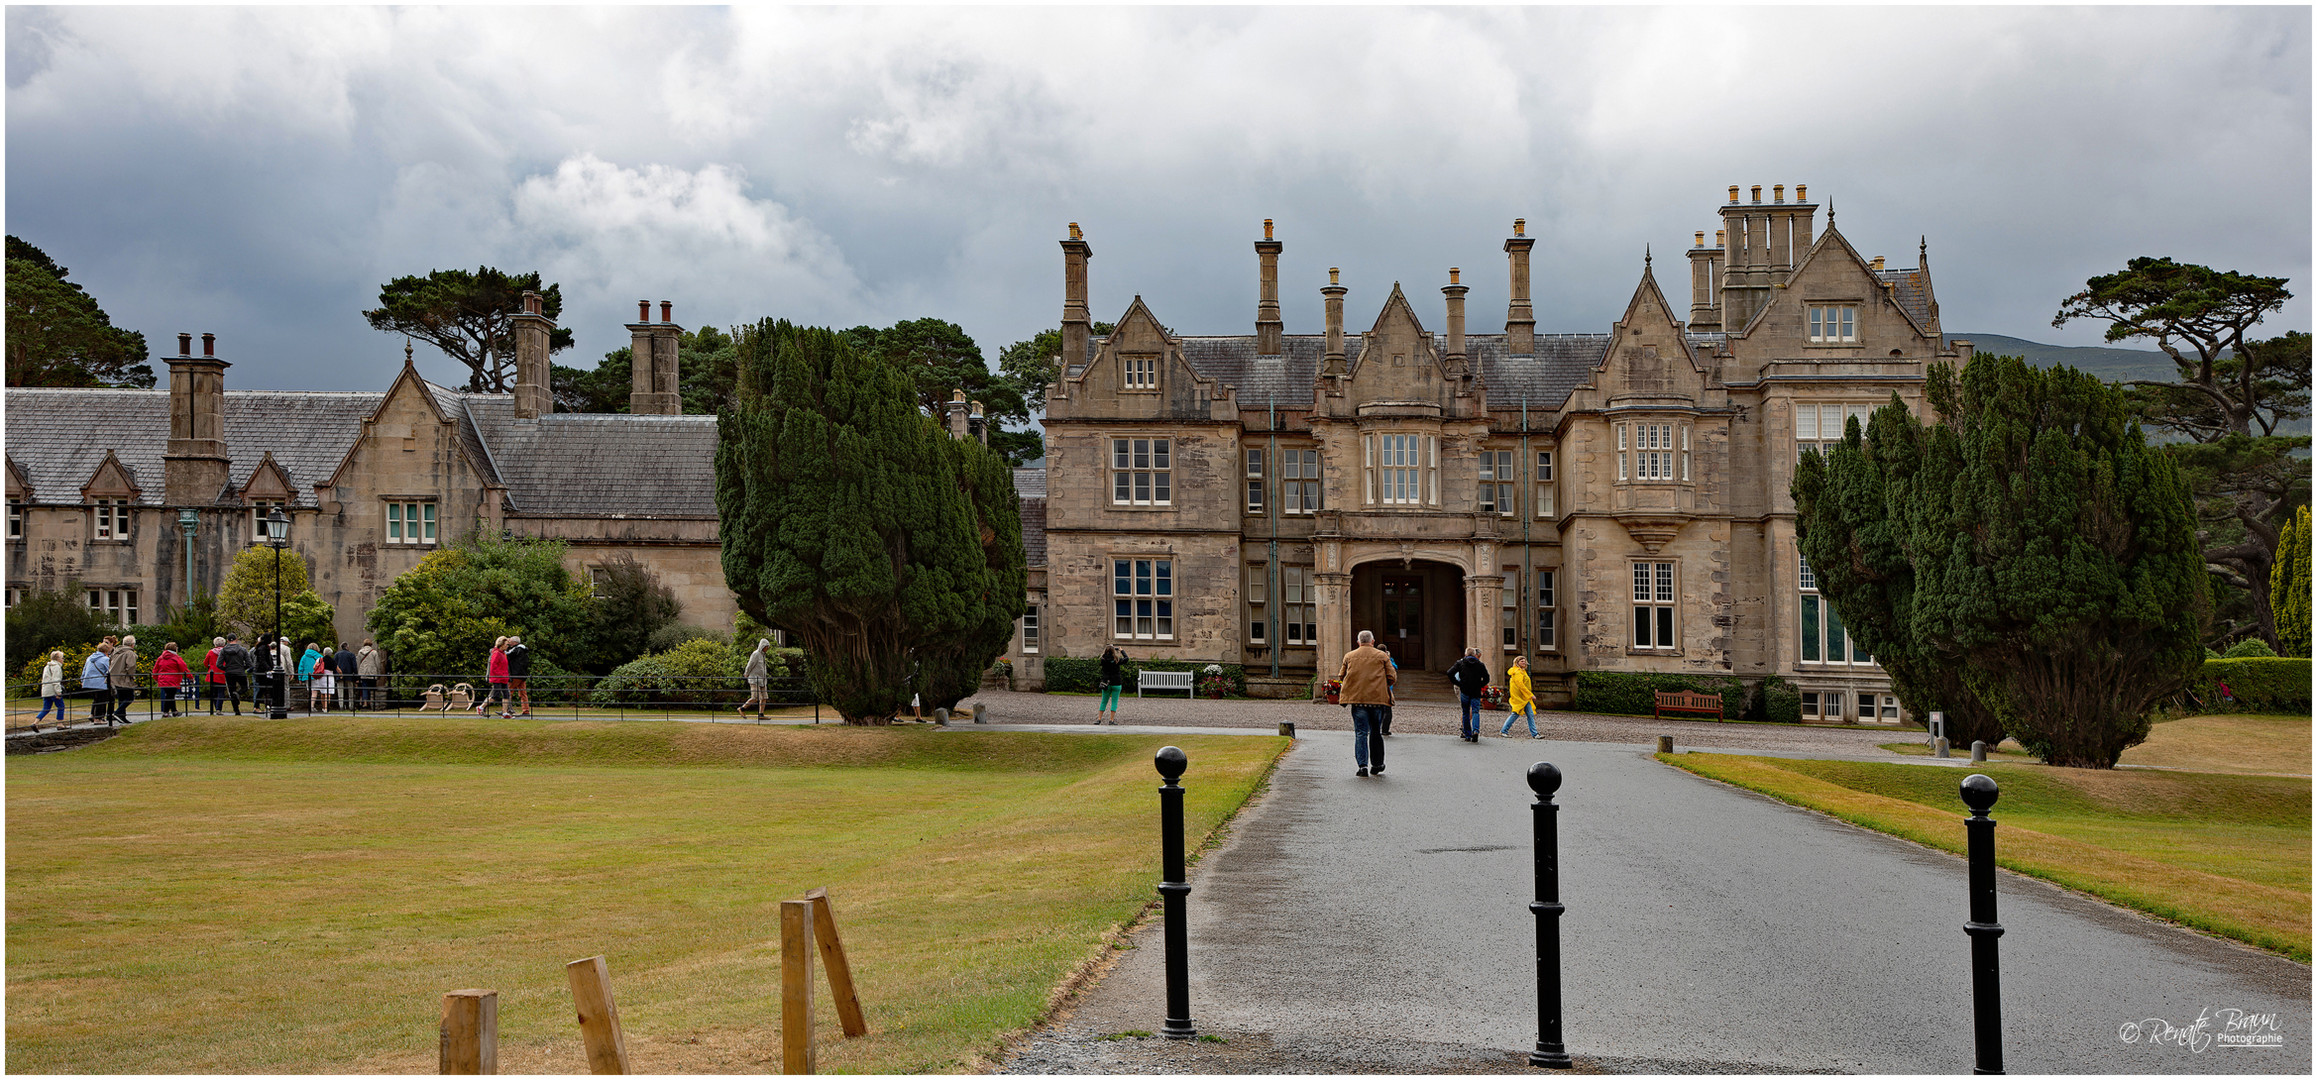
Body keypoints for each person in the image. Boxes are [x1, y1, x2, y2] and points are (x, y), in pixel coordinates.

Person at [1335, 630, 1395, 776]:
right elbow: (1391, 677)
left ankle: (1362, 767)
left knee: (1361, 733)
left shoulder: (1349, 656)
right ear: (1372, 641)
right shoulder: (1382, 656)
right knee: (1376, 732)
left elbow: (1341, 676)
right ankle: (1377, 764)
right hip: (1376, 700)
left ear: (1358, 642)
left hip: (1358, 700)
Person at [1448, 646, 1490, 743]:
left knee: (1466, 712)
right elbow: (1487, 678)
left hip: (1465, 690)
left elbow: (1449, 673)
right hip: (1475, 691)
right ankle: (1475, 731)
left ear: (1466, 654)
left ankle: (1467, 734)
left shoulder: (1460, 663)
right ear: (1475, 655)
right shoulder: (1480, 664)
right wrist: (1480, 685)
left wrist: (1458, 683)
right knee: (1475, 711)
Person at [1498, 654, 1540, 739]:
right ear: (1517, 663)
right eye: (1522, 661)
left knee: (1530, 714)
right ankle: (1503, 731)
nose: (1524, 662)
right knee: (1515, 714)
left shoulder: (1521, 671)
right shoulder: (1517, 672)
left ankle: (1535, 734)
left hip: (1524, 698)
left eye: (1525, 661)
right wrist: (1530, 695)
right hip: (1520, 698)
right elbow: (1520, 685)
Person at [153, 642, 191, 717]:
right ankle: (166, 712)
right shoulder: (176, 658)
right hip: (173, 679)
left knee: (170, 695)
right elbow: (184, 668)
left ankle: (174, 711)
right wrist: (190, 677)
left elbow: (155, 669)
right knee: (170, 696)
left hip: (163, 679)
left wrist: (156, 678)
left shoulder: (160, 658)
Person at [218, 633, 253, 715]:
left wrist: (226, 668)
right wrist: (242, 668)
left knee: (231, 691)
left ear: (227, 641)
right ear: (236, 640)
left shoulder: (224, 650)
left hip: (229, 673)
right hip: (240, 672)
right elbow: (249, 664)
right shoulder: (243, 650)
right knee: (245, 687)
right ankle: (238, 693)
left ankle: (236, 711)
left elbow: (218, 664)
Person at [110, 635, 140, 725]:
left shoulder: (116, 651)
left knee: (121, 697)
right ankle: (118, 713)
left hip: (114, 677)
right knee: (130, 697)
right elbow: (131, 666)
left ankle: (122, 716)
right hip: (124, 678)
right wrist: (131, 675)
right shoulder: (130, 653)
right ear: (132, 645)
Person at [478, 637, 511, 718]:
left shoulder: (503, 654)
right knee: (495, 696)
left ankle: (505, 712)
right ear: (501, 644)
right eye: (506, 644)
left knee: (506, 695)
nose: (508, 646)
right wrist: (499, 675)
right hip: (498, 678)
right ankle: (481, 707)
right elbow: (493, 666)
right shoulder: (496, 653)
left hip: (503, 678)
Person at [80, 644, 112, 725]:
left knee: (96, 699)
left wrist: (82, 680)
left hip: (88, 682)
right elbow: (109, 671)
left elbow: (84, 670)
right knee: (102, 700)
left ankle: (93, 715)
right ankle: (98, 719)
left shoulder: (89, 658)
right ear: (106, 651)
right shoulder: (105, 659)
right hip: (100, 683)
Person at [1096, 646, 1128, 725]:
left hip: (1106, 683)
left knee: (1104, 701)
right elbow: (1127, 659)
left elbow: (1102, 657)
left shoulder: (1103, 660)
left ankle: (1099, 719)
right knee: (1114, 702)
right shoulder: (1116, 660)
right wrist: (1121, 650)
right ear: (1114, 652)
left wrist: (1106, 651)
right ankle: (1111, 720)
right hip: (1116, 683)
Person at [742, 638, 771, 720]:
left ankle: (761, 714)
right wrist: (746, 673)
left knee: (764, 697)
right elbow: (750, 664)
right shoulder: (756, 654)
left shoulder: (763, 655)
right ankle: (742, 708)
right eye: (766, 647)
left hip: (762, 680)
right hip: (754, 679)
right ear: (762, 646)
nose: (767, 649)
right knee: (755, 697)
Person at [36, 650, 67, 726]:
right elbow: (56, 681)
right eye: (62, 658)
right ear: (58, 659)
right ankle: (60, 723)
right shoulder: (56, 667)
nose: (63, 660)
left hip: (46, 691)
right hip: (53, 691)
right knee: (61, 706)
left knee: (46, 708)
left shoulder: (47, 666)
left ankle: (35, 722)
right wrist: (58, 692)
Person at [504, 636, 532, 716]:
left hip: (515, 674)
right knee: (523, 693)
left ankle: (506, 709)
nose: (509, 643)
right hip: (523, 674)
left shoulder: (516, 650)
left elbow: (507, 655)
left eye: (511, 641)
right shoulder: (523, 650)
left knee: (509, 691)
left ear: (515, 642)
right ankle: (526, 710)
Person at [356, 638, 384, 710]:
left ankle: (365, 703)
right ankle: (372, 703)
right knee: (372, 688)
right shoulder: (374, 652)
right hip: (372, 673)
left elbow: (358, 664)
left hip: (363, 673)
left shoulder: (360, 652)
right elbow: (377, 663)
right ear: (371, 644)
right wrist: (378, 673)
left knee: (364, 687)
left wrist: (358, 673)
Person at [1377, 643, 1398, 736]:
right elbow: (1394, 669)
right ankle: (1384, 729)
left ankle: (1377, 728)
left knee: (1379, 710)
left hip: (1377, 688)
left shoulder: (1375, 658)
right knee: (1387, 711)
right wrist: (1388, 658)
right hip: (1386, 688)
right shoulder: (1388, 659)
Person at [301, 641, 327, 713]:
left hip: (306, 676)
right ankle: (311, 706)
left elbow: (301, 667)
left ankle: (310, 706)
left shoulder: (304, 656)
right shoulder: (319, 657)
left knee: (309, 691)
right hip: (316, 675)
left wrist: (300, 678)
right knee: (314, 691)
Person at [333, 642, 360, 711]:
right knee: (351, 691)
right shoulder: (351, 655)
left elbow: (334, 666)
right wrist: (356, 677)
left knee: (340, 691)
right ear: (347, 647)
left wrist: (335, 675)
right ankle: (351, 706)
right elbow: (354, 667)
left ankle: (341, 706)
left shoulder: (336, 655)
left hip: (339, 675)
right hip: (349, 675)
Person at [204, 637, 227, 715]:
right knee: (221, 692)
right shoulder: (226, 652)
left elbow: (205, 662)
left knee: (213, 693)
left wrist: (210, 667)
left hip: (212, 674)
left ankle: (215, 707)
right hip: (222, 674)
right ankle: (218, 709)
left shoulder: (210, 652)